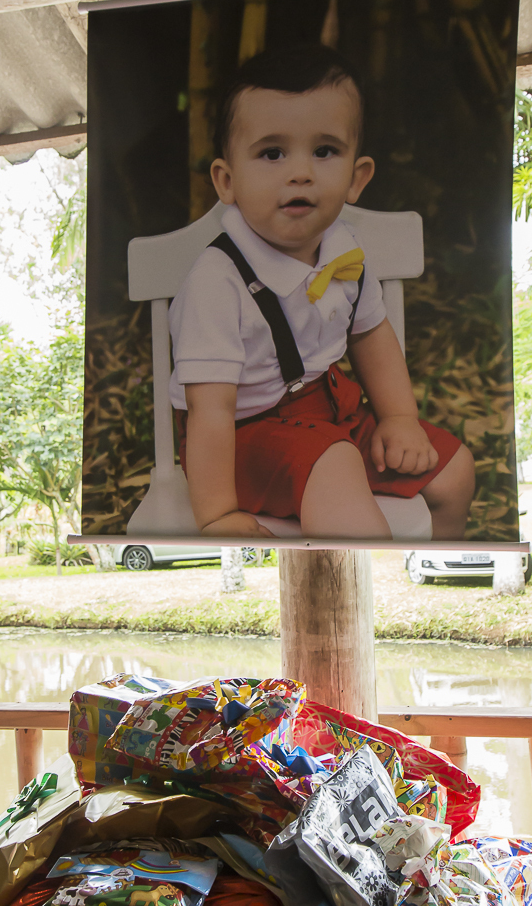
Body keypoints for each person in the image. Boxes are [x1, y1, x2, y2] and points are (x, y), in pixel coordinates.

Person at [167, 44, 474, 540]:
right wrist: (218, 512)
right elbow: (211, 410)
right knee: (335, 467)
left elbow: (371, 335)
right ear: (227, 180)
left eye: (324, 151)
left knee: (455, 469)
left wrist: (398, 417)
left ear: (356, 178)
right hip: (244, 439)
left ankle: (433, 577)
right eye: (272, 153)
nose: (300, 172)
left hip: (334, 415)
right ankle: (354, 597)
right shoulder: (216, 280)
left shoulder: (344, 250)